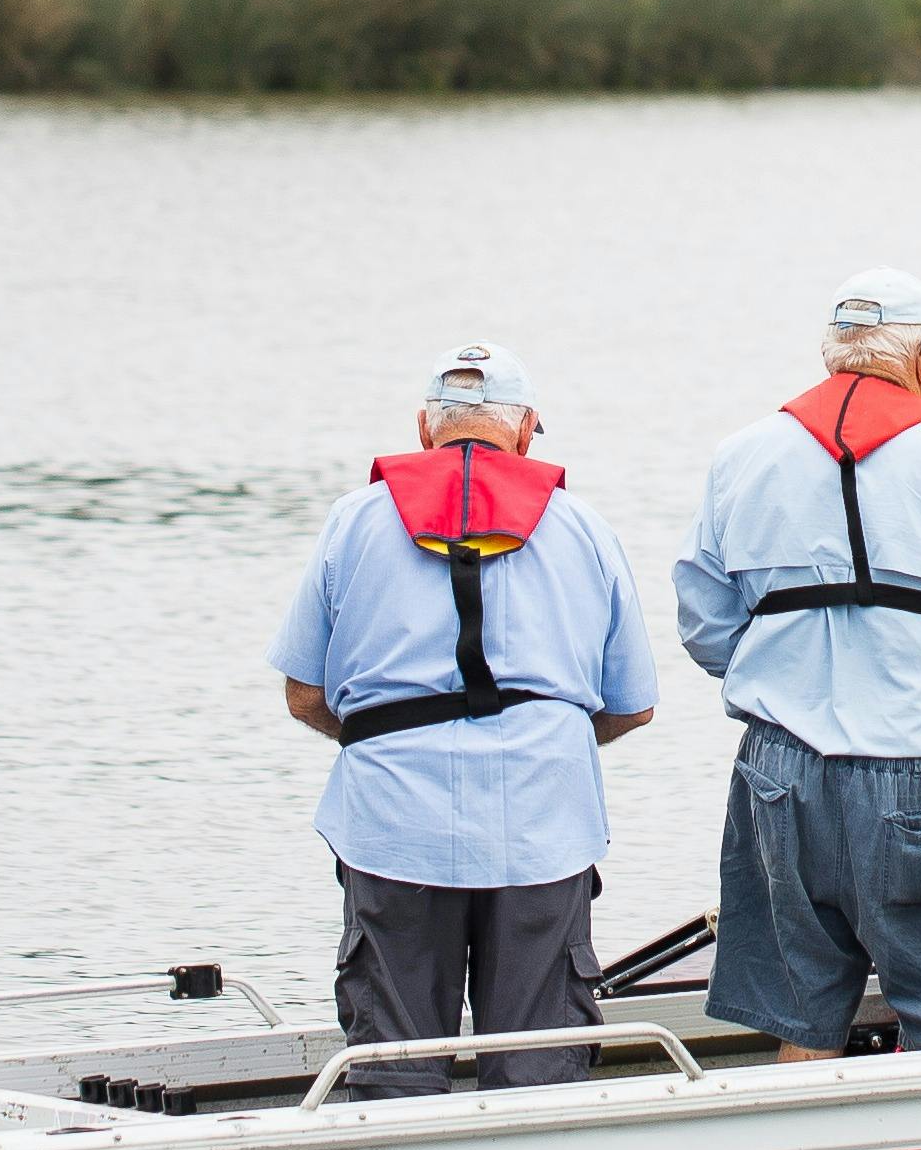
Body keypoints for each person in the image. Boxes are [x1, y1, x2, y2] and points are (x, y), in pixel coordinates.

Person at [676, 268, 921, 1058]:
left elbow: (705, 628)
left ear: (833, 357)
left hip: (777, 773)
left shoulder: (740, 456)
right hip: (919, 768)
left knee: (801, 1013)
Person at [270, 340, 660, 1096]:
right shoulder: (583, 529)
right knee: (538, 1070)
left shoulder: (351, 523)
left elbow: (304, 695)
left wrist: (392, 737)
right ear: (525, 430)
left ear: (424, 429)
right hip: (543, 826)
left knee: (392, 1071)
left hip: (391, 825)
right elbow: (632, 705)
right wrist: (544, 733)